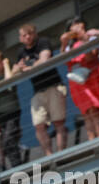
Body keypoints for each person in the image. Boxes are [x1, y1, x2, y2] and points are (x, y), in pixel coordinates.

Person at [14, 22, 68, 154]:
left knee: (58, 123)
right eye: (24, 35)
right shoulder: (21, 52)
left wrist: (30, 68)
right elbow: (15, 71)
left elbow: (45, 59)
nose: (27, 37)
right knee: (39, 125)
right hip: (38, 91)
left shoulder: (42, 42)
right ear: (20, 38)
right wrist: (19, 68)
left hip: (54, 86)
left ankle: (61, 154)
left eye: (29, 34)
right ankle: (49, 156)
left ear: (35, 34)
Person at [60, 17, 99, 141]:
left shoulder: (91, 37)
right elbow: (64, 61)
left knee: (94, 108)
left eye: (79, 23)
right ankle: (91, 139)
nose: (77, 26)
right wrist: (63, 43)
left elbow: (91, 56)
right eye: (73, 25)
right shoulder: (69, 46)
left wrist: (83, 38)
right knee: (86, 112)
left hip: (91, 77)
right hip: (77, 81)